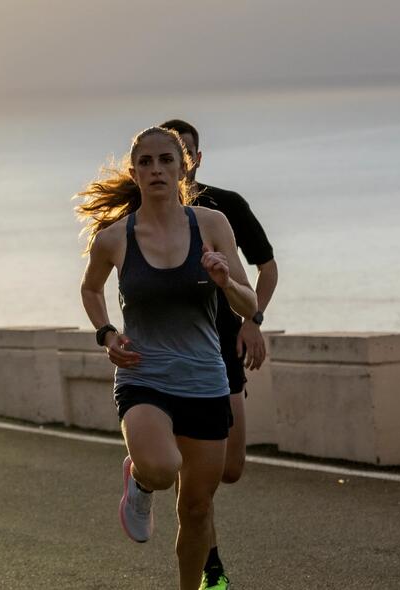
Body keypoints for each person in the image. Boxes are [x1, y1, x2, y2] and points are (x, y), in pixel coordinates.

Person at [75, 126, 259, 590]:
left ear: (183, 167)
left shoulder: (212, 225)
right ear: (134, 172)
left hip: (204, 381)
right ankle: (139, 479)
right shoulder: (114, 238)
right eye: (146, 162)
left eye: (166, 161)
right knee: (160, 466)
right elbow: (91, 288)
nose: (156, 169)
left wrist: (225, 282)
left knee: (196, 510)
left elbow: (248, 304)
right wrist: (106, 333)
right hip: (144, 376)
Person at [158, 118, 279, 589]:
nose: (172, 165)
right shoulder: (142, 209)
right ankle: (210, 566)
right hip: (167, 356)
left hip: (223, 351)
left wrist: (253, 321)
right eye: (161, 156)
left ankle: (169, 475)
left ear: (195, 159)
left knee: (229, 470)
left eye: (181, 154)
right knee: (193, 483)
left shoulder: (224, 208)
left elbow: (266, 269)